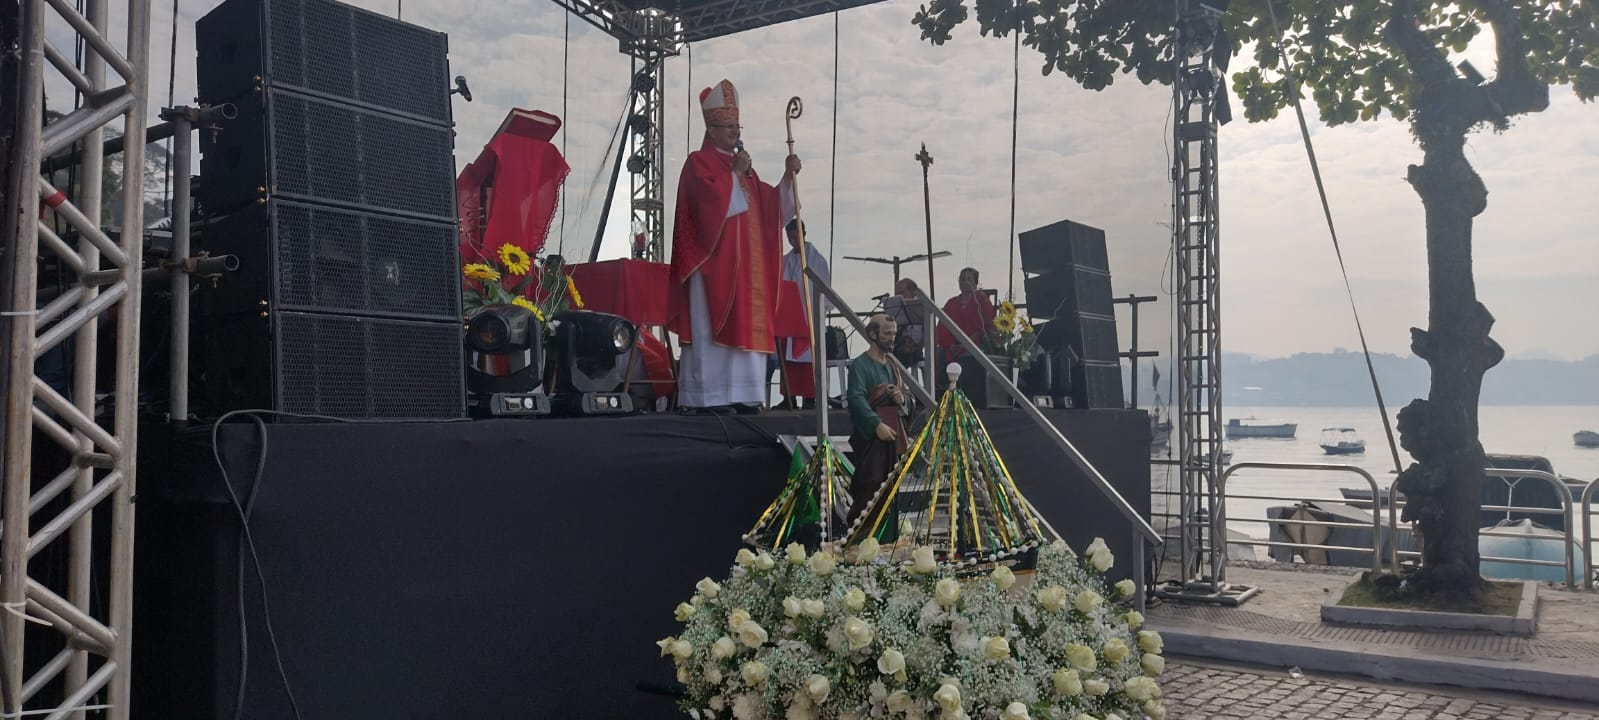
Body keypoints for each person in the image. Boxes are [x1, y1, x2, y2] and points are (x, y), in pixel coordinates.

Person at [667, 79, 800, 412]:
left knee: (746, 330)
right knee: (713, 332)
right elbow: (703, 206)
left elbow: (770, 206)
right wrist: (732, 177)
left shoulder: (746, 169)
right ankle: (710, 398)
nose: (733, 132)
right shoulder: (698, 162)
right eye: (727, 126)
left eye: (736, 126)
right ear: (711, 129)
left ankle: (744, 396)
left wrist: (787, 178)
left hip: (747, 275)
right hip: (714, 265)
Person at [845, 314, 908, 534]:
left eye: (894, 334)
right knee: (870, 484)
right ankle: (862, 536)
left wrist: (902, 400)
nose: (892, 339)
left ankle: (887, 536)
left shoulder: (892, 365)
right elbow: (856, 398)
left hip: (891, 437)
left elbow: (905, 400)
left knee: (889, 489)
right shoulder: (861, 365)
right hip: (871, 439)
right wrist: (876, 425)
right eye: (887, 334)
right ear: (872, 334)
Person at [777, 219, 830, 408]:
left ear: (803, 233)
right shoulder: (786, 260)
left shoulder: (817, 260)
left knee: (809, 363)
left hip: (809, 319)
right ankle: (789, 399)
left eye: (795, 236)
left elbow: (825, 290)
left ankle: (809, 399)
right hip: (790, 319)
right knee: (788, 361)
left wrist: (816, 314)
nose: (792, 241)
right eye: (789, 237)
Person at [885, 278, 925, 369]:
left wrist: (918, 346)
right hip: (899, 345)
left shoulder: (921, 307)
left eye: (901, 293)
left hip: (914, 349)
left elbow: (928, 334)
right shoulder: (897, 307)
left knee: (896, 360)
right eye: (897, 294)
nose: (899, 297)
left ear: (912, 291)